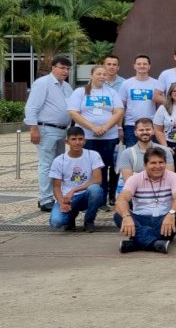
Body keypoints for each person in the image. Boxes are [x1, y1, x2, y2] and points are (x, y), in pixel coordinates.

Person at [68, 64, 124, 208]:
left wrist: (105, 127)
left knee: (105, 167)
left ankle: (103, 200)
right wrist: (92, 127)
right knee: (90, 168)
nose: (102, 77)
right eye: (98, 74)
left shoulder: (111, 92)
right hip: (87, 137)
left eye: (104, 74)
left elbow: (118, 112)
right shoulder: (80, 92)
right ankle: (88, 198)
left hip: (108, 137)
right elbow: (73, 112)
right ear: (91, 75)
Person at [24, 55, 74, 212]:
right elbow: (31, 107)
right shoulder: (42, 83)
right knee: (46, 165)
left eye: (67, 69)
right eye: (62, 68)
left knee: (58, 165)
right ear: (53, 67)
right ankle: (45, 199)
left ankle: (56, 196)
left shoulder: (66, 86)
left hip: (62, 130)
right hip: (46, 129)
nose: (65, 71)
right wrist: (33, 128)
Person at [115, 147, 176, 254]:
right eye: (153, 163)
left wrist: (171, 214)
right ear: (145, 164)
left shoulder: (174, 177)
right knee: (118, 215)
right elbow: (121, 199)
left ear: (165, 163)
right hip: (141, 219)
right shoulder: (135, 178)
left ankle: (136, 243)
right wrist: (126, 216)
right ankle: (155, 244)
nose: (157, 166)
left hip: (164, 219)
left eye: (161, 162)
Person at [48, 126, 105, 232]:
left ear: (85, 140)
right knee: (56, 222)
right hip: (67, 198)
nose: (77, 142)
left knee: (96, 189)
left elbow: (97, 180)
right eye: (73, 139)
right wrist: (61, 203)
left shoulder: (93, 155)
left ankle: (89, 220)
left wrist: (74, 190)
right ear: (67, 141)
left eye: (80, 139)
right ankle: (71, 215)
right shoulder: (59, 161)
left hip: (86, 195)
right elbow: (56, 187)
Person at [116, 118, 175, 195]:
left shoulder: (165, 151)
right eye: (141, 130)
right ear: (135, 133)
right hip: (136, 192)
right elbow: (129, 181)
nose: (145, 132)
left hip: (161, 191)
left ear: (153, 131)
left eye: (148, 129)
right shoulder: (127, 153)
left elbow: (169, 177)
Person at [118, 55, 161, 147]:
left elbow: (160, 105)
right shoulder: (126, 84)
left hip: (151, 126)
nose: (142, 66)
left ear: (149, 66)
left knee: (151, 154)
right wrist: (120, 127)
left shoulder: (157, 83)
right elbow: (121, 107)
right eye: (139, 64)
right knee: (132, 154)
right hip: (131, 126)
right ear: (134, 66)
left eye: (145, 64)